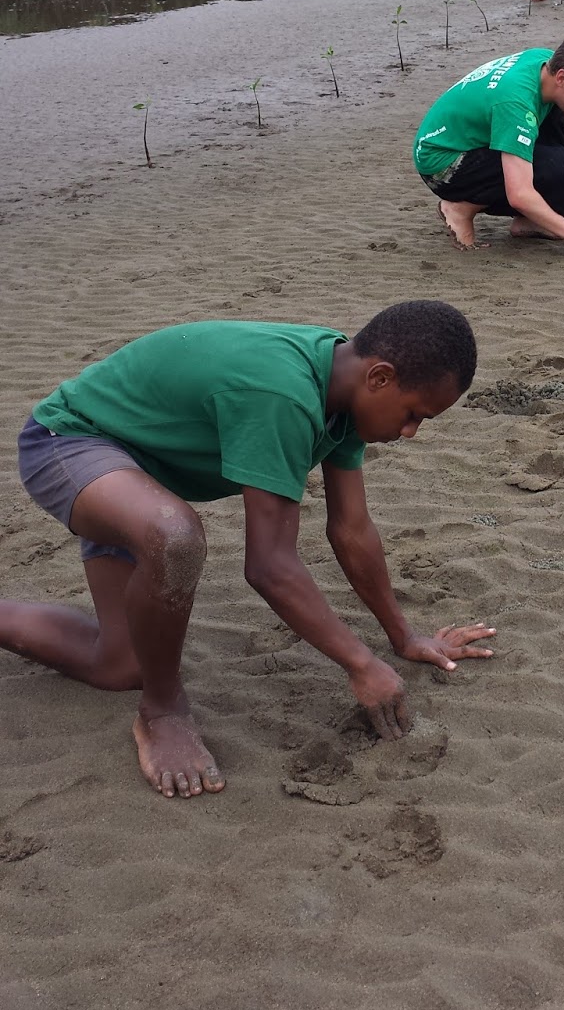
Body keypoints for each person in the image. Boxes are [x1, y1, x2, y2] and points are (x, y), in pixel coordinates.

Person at [0, 302, 495, 800]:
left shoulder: (343, 389)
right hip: (67, 442)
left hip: (138, 474)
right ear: (381, 378)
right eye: (414, 415)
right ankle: (163, 712)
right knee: (174, 537)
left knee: (120, 665)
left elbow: (351, 529)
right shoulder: (283, 394)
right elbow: (269, 566)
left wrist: (404, 635)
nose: (409, 432)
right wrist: (360, 664)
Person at [413, 34, 564, 253]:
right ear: (562, 77)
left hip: (479, 137)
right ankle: (460, 209)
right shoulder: (515, 103)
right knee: (553, 165)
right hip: (443, 162)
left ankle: (527, 222)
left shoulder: (547, 64)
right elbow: (519, 194)